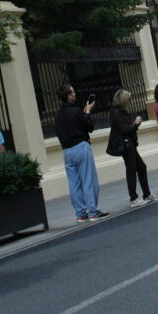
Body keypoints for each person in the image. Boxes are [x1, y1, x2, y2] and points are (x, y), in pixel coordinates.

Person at [55, 85, 107, 222]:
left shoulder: (58, 115)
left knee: (74, 183)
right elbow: (89, 126)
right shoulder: (75, 111)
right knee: (88, 180)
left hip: (67, 150)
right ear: (68, 96)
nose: (75, 94)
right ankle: (92, 211)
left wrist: (84, 114)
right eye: (72, 92)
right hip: (81, 147)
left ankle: (80, 213)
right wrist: (88, 112)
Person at [109, 90, 155, 207]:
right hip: (126, 144)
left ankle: (146, 194)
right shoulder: (116, 112)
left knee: (140, 167)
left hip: (130, 144)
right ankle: (134, 198)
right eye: (129, 99)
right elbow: (124, 129)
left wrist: (135, 125)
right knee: (131, 170)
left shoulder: (121, 112)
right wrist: (135, 124)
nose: (130, 102)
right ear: (123, 100)